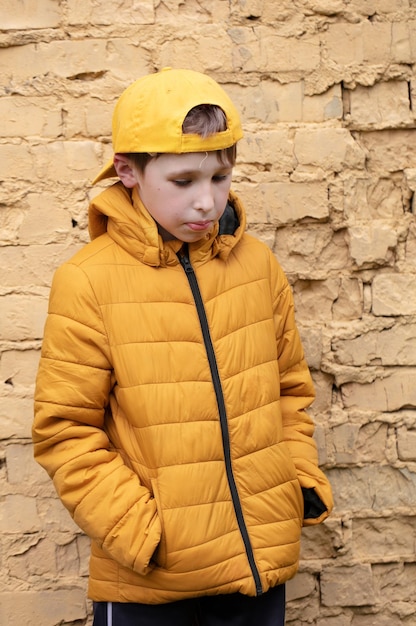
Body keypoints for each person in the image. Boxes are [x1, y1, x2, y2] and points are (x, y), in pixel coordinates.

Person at [33, 67, 333, 626]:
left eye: (220, 177)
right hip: (153, 584)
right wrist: (144, 535)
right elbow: (65, 431)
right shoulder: (89, 281)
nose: (207, 201)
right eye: (184, 180)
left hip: (256, 571)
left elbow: (289, 390)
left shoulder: (257, 266)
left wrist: (298, 484)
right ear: (129, 172)